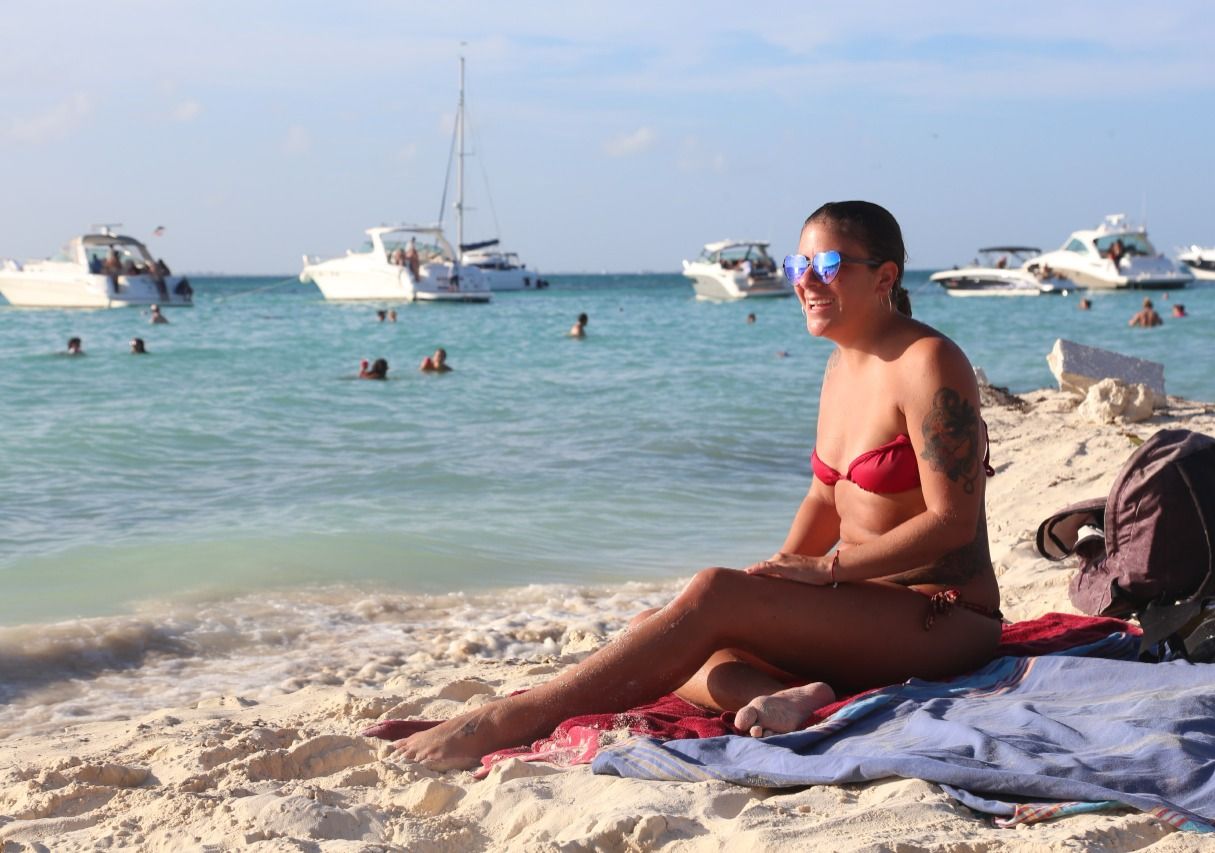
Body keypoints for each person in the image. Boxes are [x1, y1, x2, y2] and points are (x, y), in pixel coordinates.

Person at [388, 200, 1001, 768]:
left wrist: (825, 572)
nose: (806, 281)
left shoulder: (928, 362)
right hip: (860, 607)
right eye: (798, 266)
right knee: (657, 627)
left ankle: (507, 720)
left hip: (942, 617)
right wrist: (775, 578)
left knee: (709, 596)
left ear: (884, 275)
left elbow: (952, 523)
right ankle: (785, 697)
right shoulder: (840, 364)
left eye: (828, 265)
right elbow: (825, 496)